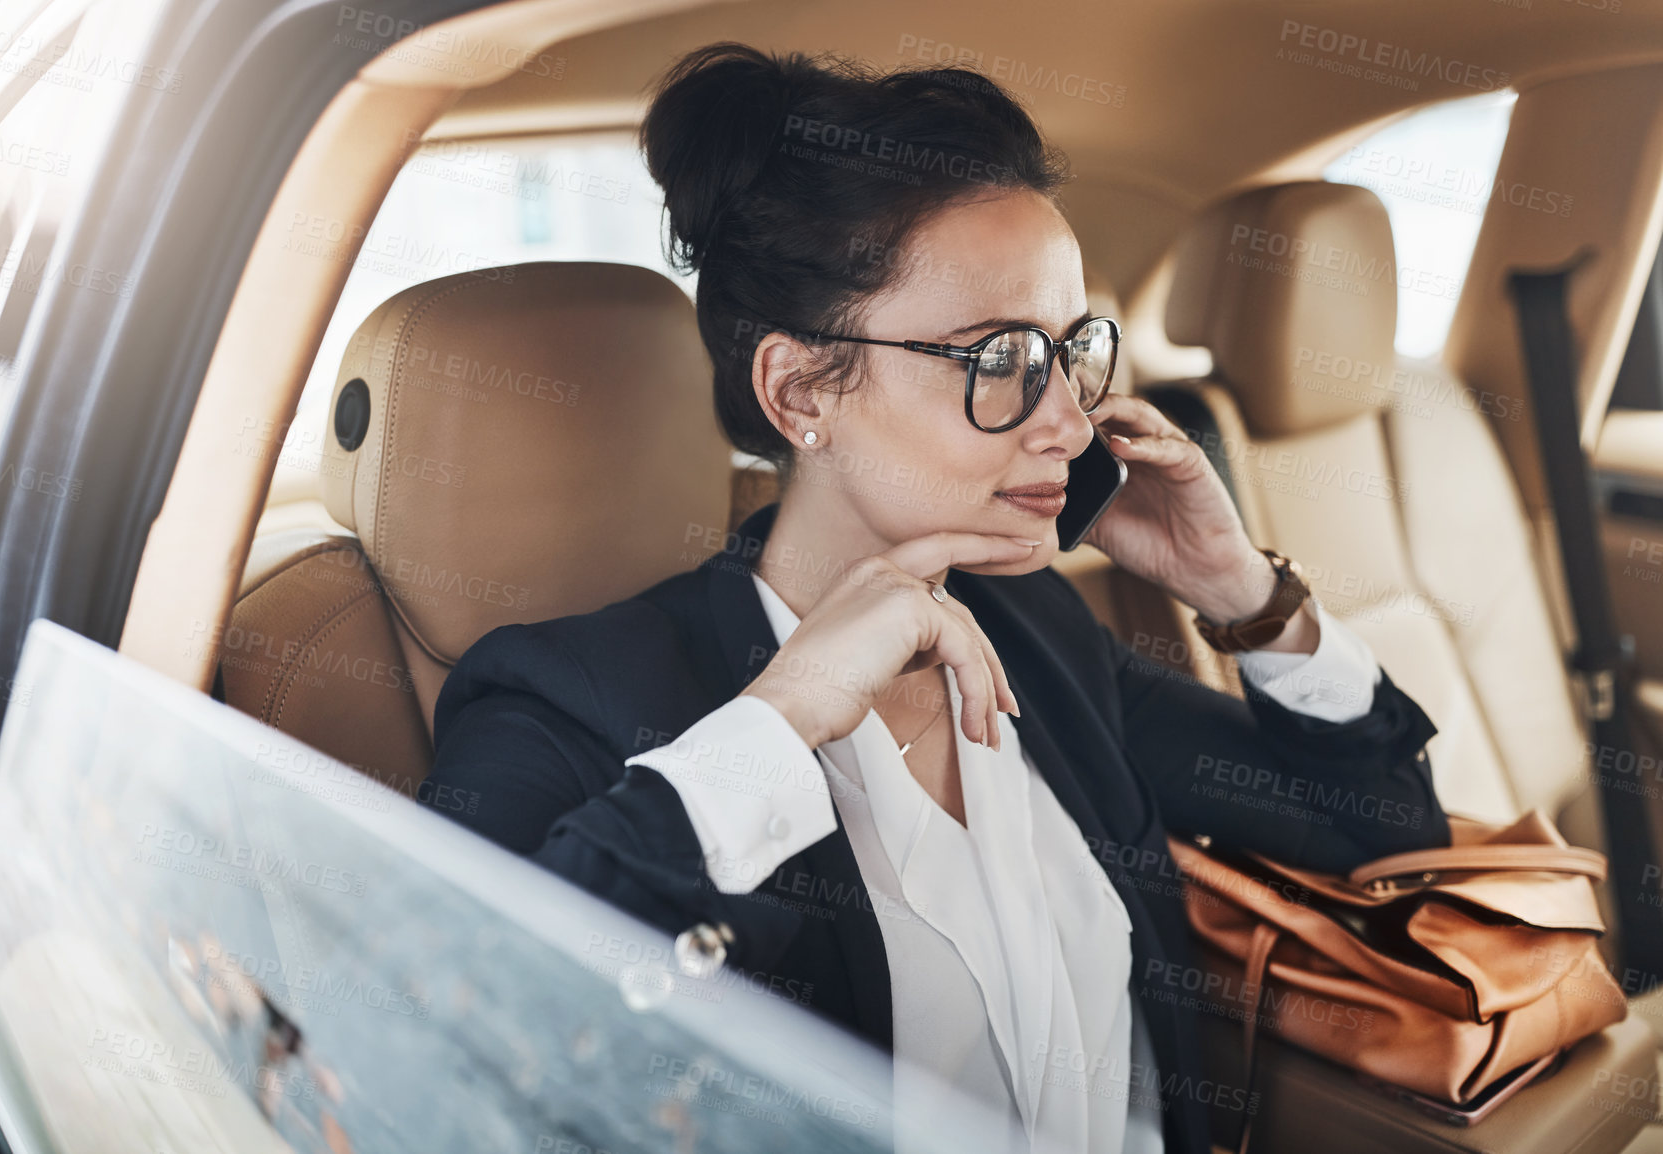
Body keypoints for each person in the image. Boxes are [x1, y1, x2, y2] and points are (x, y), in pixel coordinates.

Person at [422, 41, 1447, 1154]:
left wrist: (1239, 589)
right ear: (800, 388)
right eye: (998, 357)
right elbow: (465, 1058)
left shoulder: (1039, 634)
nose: (1064, 419)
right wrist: (784, 714)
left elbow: (1385, 830)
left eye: (1067, 350)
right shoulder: (568, 696)